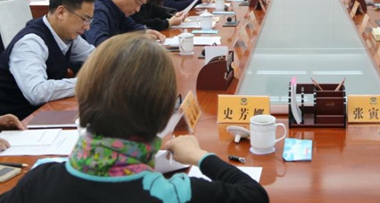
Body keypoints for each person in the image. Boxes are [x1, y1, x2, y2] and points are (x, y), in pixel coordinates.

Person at [0, 34, 270, 203]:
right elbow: (254, 194)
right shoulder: (175, 194)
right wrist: (200, 156)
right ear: (164, 117)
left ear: (82, 102)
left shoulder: (39, 180)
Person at [0, 0, 96, 119]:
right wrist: (86, 83)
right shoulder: (30, 43)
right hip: (20, 121)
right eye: (84, 19)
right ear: (61, 13)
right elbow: (37, 92)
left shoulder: (68, 35)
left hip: (47, 112)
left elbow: (97, 58)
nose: (87, 27)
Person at [83, 0, 164, 46]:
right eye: (137, 2)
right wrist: (136, 39)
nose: (138, 9)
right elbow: (100, 45)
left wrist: (145, 31)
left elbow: (132, 27)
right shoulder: (97, 10)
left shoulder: (118, 9)